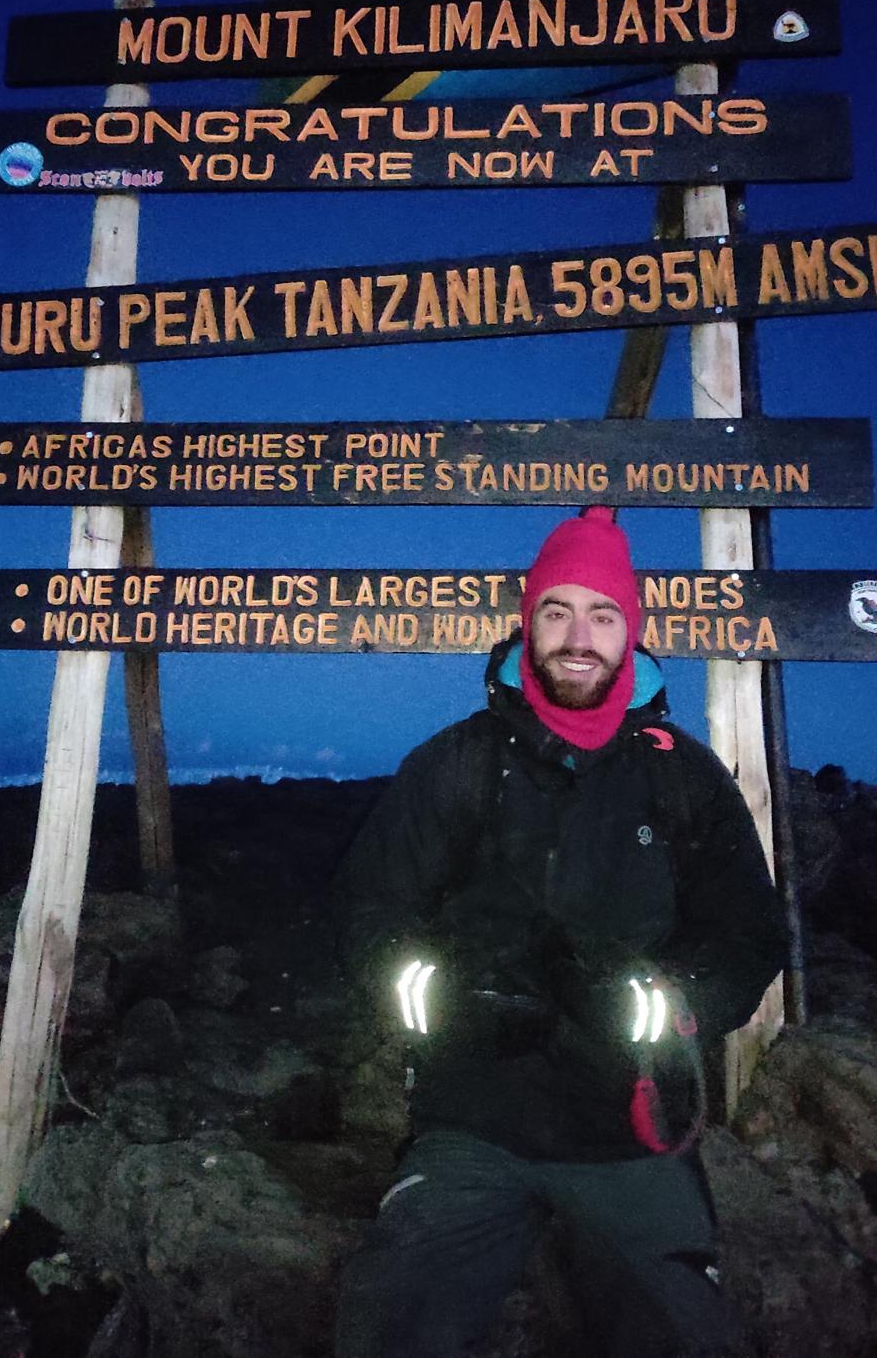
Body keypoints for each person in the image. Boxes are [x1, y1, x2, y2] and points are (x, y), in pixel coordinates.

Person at [334, 508, 786, 1358]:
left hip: (631, 1124)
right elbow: (369, 908)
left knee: (685, 1333)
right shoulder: (455, 763)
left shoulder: (681, 776)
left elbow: (748, 933)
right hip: (470, 1121)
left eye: (603, 615)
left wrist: (667, 1002)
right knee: (394, 1321)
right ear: (528, 621)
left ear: (630, 634)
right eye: (557, 611)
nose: (578, 636)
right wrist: (436, 990)